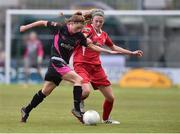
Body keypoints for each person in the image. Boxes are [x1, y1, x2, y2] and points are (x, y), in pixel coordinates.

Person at [19, 11, 118, 123]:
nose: (79, 31)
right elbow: (42, 22)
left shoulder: (79, 36)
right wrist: (25, 27)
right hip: (56, 62)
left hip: (61, 65)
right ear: (71, 23)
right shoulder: (60, 28)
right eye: (77, 28)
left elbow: (92, 47)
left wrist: (107, 51)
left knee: (44, 92)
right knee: (78, 80)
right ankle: (77, 109)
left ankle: (26, 110)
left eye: (80, 29)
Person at [73, 9, 143, 124]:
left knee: (110, 97)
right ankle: (77, 106)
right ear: (92, 21)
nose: (98, 23)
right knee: (86, 91)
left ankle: (106, 119)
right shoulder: (87, 29)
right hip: (82, 64)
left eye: (100, 21)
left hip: (96, 67)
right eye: (96, 21)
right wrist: (84, 37)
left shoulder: (104, 35)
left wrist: (131, 52)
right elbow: (81, 38)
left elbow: (114, 47)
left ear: (103, 22)